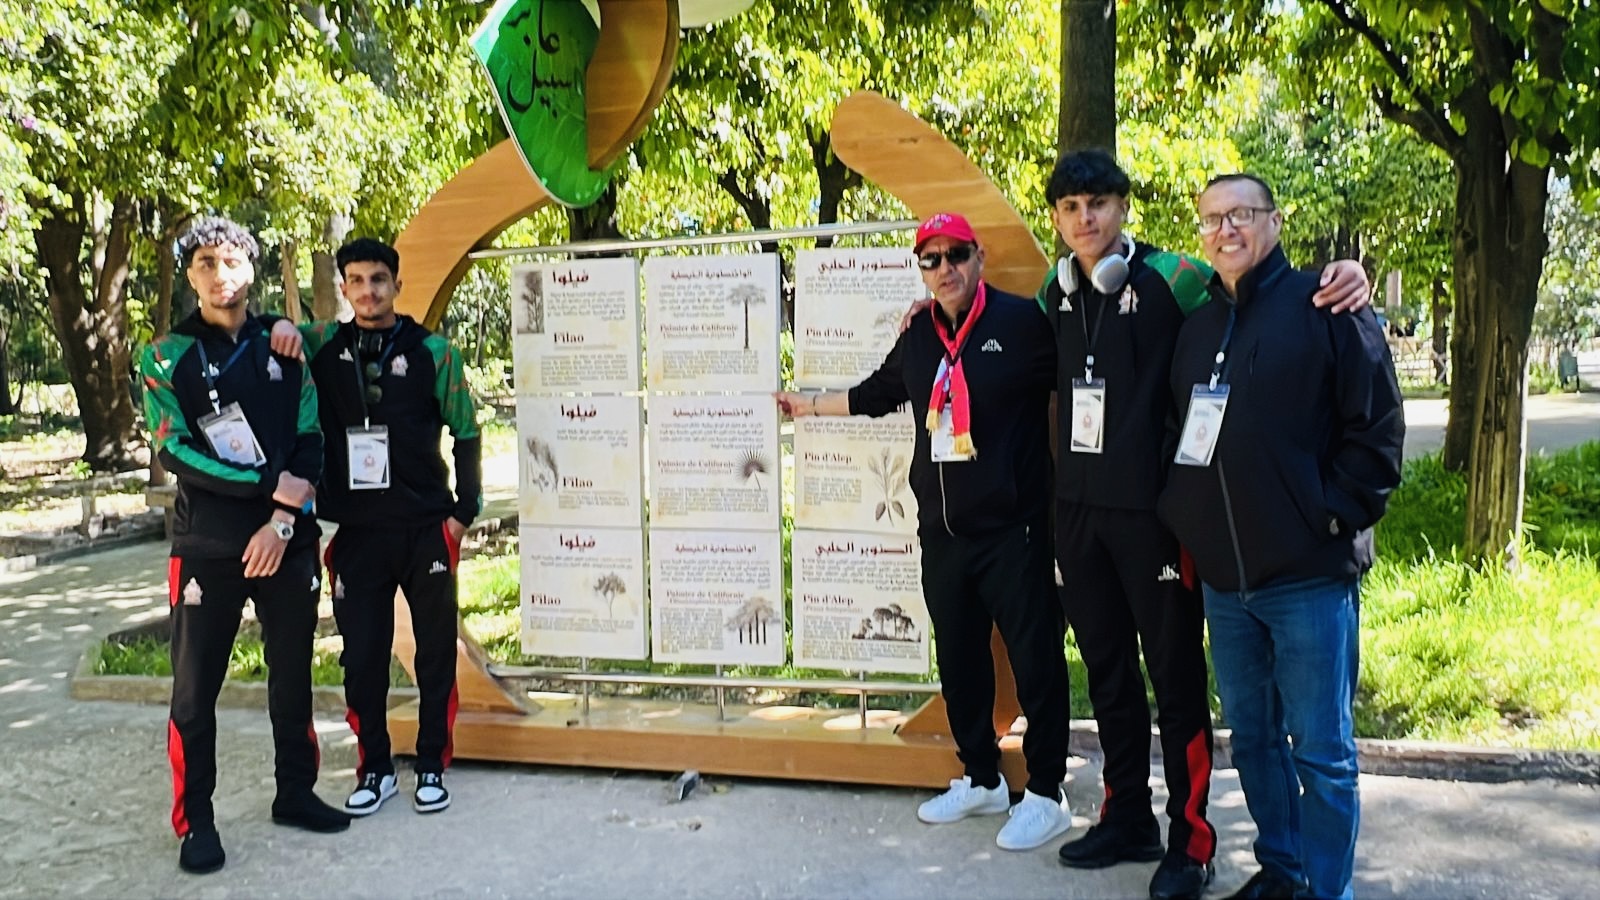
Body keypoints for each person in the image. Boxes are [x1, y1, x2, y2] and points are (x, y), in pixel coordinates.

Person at [1037, 150, 1370, 900]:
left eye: (1099, 203)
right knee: (1113, 677)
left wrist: (1349, 275)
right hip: (1091, 521)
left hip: (1168, 526)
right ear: (1055, 219)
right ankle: (1128, 815)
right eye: (1070, 208)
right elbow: (997, 345)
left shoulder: (1177, 279)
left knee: (1183, 685)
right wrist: (928, 314)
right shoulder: (1053, 294)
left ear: (1124, 207)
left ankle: (1192, 842)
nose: (1085, 219)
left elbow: (1258, 292)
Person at [774, 212, 1074, 852]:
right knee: (960, 661)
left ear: (979, 255)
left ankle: (1048, 792)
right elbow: (877, 394)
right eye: (931, 259)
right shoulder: (918, 336)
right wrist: (807, 404)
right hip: (942, 533)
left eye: (956, 254)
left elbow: (1078, 382)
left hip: (1013, 530)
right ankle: (982, 777)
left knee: (1036, 661)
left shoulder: (1021, 324)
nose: (945, 269)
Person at [1157, 174, 1403, 900]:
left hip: (1308, 579)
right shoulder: (1197, 328)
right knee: (1254, 740)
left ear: (1273, 221)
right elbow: (1178, 435)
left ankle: (1328, 891)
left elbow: (1376, 429)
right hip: (1227, 586)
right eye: (1211, 219)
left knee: (1322, 752)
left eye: (1241, 214)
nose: (1225, 230)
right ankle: (1283, 870)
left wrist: (1328, 518)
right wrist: (1188, 519)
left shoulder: (1326, 304)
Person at [138, 216, 350, 875]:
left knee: (292, 675)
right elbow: (174, 450)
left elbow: (311, 438)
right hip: (207, 545)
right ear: (190, 273)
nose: (219, 274)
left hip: (286, 542)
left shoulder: (284, 347)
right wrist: (265, 486)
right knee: (194, 691)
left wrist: (282, 521)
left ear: (252, 269)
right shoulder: (165, 356)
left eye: (231, 261)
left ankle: (295, 791)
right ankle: (196, 821)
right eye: (205, 263)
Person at [270, 238, 481, 816]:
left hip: (426, 528)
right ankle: (376, 769)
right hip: (358, 534)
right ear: (344, 288)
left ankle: (432, 764)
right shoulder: (321, 344)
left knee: (435, 653)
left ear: (397, 285)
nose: (369, 291)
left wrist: (463, 513)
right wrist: (280, 324)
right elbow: (264, 330)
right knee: (362, 657)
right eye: (358, 281)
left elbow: (466, 431)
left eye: (379, 279)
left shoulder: (434, 351)